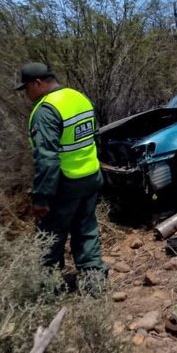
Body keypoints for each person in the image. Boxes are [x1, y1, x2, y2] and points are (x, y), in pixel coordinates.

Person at [16, 62, 106, 291]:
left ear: (38, 83)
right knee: (86, 230)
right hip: (90, 177)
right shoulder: (78, 97)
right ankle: (94, 283)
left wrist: (41, 198)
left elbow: (47, 159)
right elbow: (96, 138)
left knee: (51, 237)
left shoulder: (45, 110)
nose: (26, 94)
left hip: (65, 184)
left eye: (26, 88)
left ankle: (50, 288)